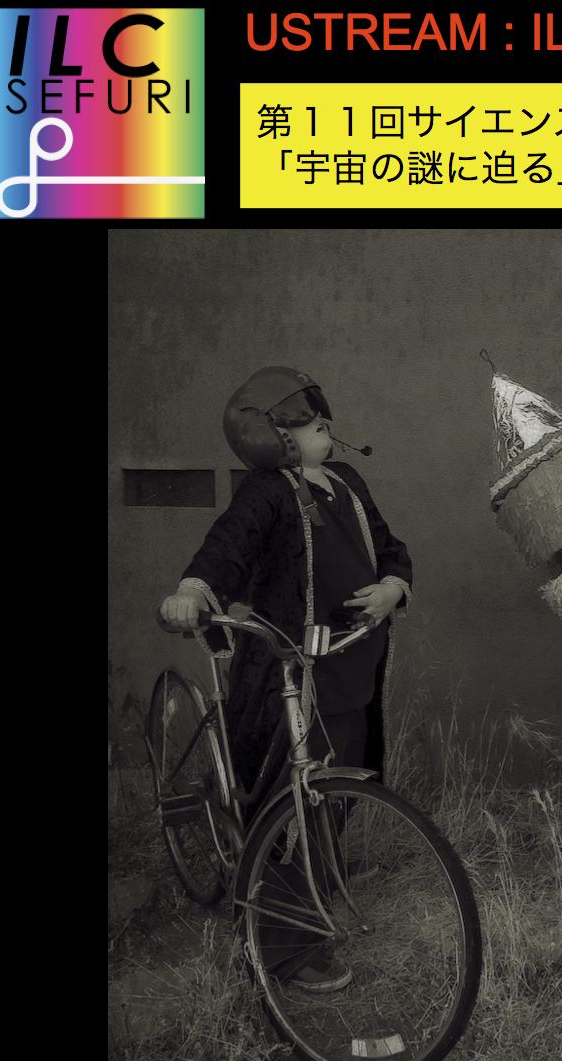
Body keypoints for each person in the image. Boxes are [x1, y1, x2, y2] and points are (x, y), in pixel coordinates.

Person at [158, 367, 413, 990]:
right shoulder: (266, 492)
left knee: (334, 791)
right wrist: (193, 591)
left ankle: (315, 885)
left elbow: (388, 545)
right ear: (273, 438)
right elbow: (228, 545)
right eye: (308, 423)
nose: (325, 427)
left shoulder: (347, 481)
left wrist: (392, 587)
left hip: (350, 664)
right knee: (286, 801)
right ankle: (283, 946)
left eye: (323, 420)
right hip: (288, 672)